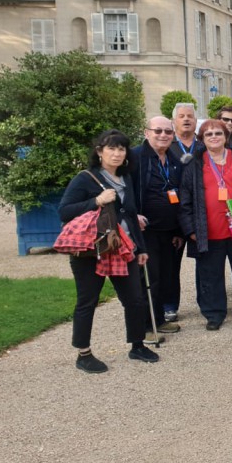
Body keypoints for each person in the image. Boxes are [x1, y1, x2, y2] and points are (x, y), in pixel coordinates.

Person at [59, 130, 158, 372]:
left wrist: (141, 248)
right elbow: (64, 211)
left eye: (121, 149)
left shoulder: (126, 178)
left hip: (123, 248)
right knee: (87, 301)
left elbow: (131, 215)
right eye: (111, 148)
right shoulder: (85, 179)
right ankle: (84, 354)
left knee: (134, 299)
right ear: (99, 151)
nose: (116, 153)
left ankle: (137, 345)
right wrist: (96, 201)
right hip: (92, 250)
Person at [178, 120, 232, 329]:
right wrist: (190, 229)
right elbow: (185, 200)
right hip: (208, 230)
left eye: (218, 133)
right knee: (209, 274)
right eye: (208, 134)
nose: (214, 137)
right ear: (202, 139)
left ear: (226, 136)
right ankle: (214, 314)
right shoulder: (194, 164)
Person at [130, 116, 185, 334]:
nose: (163, 135)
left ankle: (159, 319)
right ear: (146, 132)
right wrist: (133, 215)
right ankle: (145, 323)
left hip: (170, 230)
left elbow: (182, 194)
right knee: (149, 277)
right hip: (146, 230)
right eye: (158, 131)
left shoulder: (174, 158)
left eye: (168, 132)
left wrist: (180, 230)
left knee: (166, 276)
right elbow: (123, 191)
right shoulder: (134, 158)